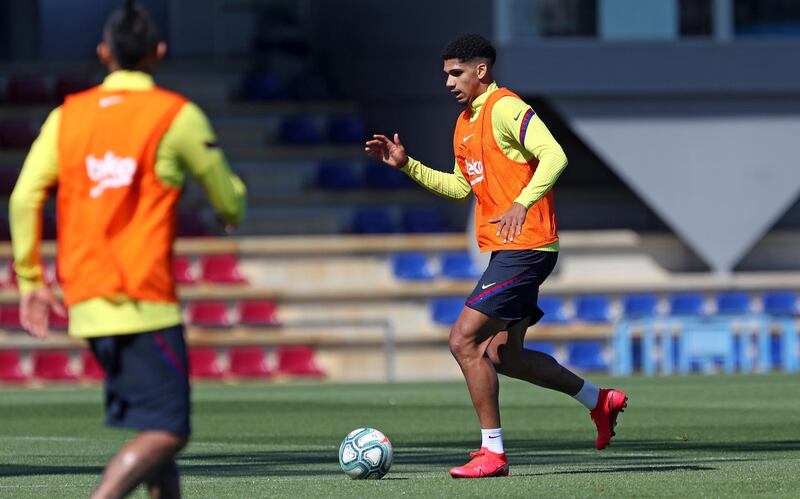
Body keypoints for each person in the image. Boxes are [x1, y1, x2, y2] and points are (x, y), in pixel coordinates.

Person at [9, 1, 246, 497]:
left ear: (103, 52)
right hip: (142, 301)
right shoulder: (176, 114)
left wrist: (31, 281)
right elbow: (228, 197)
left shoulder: (65, 117)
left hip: (87, 300)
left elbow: (24, 196)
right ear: (158, 53)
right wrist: (229, 210)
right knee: (170, 431)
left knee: (155, 434)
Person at [365, 33, 627, 479]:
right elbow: (460, 188)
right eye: (445, 73)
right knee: (506, 356)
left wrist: (523, 203)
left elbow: (554, 156)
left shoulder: (506, 107)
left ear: (480, 70)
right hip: (508, 250)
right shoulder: (464, 123)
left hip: (527, 246)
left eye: (456, 72)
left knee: (463, 341)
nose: (448, 82)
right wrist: (407, 165)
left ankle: (494, 453)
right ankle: (598, 400)